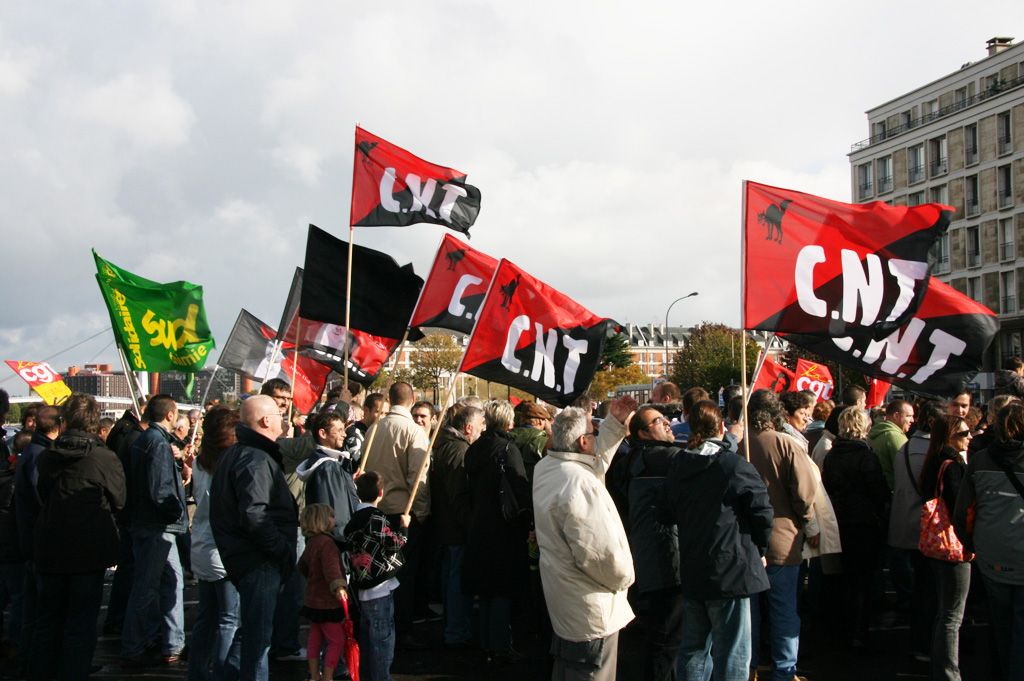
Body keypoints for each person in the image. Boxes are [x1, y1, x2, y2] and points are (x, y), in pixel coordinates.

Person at [657, 400, 773, 681]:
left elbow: (665, 511)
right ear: (721, 427)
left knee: (694, 649)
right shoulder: (732, 465)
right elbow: (762, 511)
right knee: (732, 652)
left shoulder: (680, 465)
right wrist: (760, 547)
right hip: (730, 569)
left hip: (694, 567)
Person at [533, 395, 638, 681]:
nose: (595, 437)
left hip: (566, 602)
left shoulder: (547, 469)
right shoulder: (578, 483)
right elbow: (599, 554)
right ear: (583, 442)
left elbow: (594, 461)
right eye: (593, 433)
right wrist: (625, 579)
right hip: (592, 609)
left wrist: (614, 424)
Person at [32, 394, 125, 681]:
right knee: (80, 624)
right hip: (89, 547)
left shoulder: (49, 455)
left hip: (51, 545)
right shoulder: (103, 457)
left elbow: (43, 493)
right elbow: (120, 500)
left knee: (48, 621)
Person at [210, 395, 300, 681]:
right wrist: (280, 549)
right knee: (258, 642)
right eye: (278, 413)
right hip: (258, 560)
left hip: (249, 558)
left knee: (250, 634)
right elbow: (254, 514)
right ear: (266, 420)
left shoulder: (242, 454)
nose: (282, 419)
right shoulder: (256, 458)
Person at [745, 390, 818, 681]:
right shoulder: (786, 445)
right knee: (784, 610)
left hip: (748, 541)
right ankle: (784, 672)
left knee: (749, 614)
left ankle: (747, 668)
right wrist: (809, 521)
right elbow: (804, 493)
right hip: (782, 540)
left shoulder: (739, 445)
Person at [610, 404, 685, 681]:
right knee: (666, 641)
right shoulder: (662, 459)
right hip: (665, 562)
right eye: (658, 421)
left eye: (666, 419)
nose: (667, 424)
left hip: (649, 558)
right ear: (642, 433)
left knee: (663, 638)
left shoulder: (632, 460)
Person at [954, 401, 1024, 680]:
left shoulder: (980, 459)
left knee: (1001, 621)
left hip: (991, 552)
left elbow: (963, 510)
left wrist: (973, 545)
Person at [359, 382, 430, 648]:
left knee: (377, 573)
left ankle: (377, 625)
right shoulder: (414, 431)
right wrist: (420, 511)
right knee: (403, 574)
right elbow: (418, 477)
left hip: (374, 508)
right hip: (402, 513)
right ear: (413, 399)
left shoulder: (374, 429)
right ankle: (401, 628)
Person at [462, 400, 532, 663]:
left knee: (486, 589)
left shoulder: (474, 448)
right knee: (501, 589)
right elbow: (520, 487)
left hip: (478, 523)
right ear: (509, 422)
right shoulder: (507, 449)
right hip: (503, 526)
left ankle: (487, 642)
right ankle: (500, 644)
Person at [120, 394, 188, 667]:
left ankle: (172, 642)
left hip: (148, 523)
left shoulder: (146, 440)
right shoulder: (157, 443)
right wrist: (177, 511)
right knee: (149, 587)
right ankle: (136, 646)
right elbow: (160, 490)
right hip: (157, 526)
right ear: (170, 415)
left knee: (170, 582)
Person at [821, 407, 890, 650]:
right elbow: (878, 491)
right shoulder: (866, 456)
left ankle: (843, 630)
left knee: (845, 579)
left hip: (839, 522)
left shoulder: (832, 455)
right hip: (864, 523)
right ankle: (859, 633)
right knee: (862, 581)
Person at [889, 400, 945, 663]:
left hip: (906, 526)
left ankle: (919, 641)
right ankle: (925, 644)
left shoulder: (906, 447)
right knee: (929, 591)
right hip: (929, 530)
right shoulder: (934, 451)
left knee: (920, 589)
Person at [188, 406, 241, 681]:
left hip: (203, 545)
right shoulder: (228, 464)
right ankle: (222, 673)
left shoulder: (200, 461)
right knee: (229, 619)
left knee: (207, 617)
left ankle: (196, 673)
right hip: (223, 550)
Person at [918, 414, 972, 681]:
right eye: (963, 433)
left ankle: (941, 668)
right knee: (952, 615)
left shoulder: (933, 461)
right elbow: (959, 508)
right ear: (950, 435)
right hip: (953, 546)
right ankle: (949, 673)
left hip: (935, 544)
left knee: (944, 611)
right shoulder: (952, 465)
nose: (969, 437)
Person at [345, 472, 410, 681]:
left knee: (366, 641)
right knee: (382, 642)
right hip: (379, 587)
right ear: (381, 493)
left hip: (362, 586)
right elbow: (394, 544)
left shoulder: (353, 518)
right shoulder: (376, 518)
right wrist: (404, 528)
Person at [430, 404, 483, 647]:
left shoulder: (447, 445)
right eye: (481, 427)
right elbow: (458, 494)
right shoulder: (459, 451)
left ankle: (453, 626)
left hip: (447, 525)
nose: (483, 432)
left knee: (451, 577)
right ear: (469, 427)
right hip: (455, 528)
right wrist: (470, 525)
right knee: (457, 581)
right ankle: (456, 630)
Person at [297, 504, 349, 681]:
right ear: (323, 521)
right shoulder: (327, 543)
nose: (334, 520)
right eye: (332, 517)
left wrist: (313, 578)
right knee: (336, 641)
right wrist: (339, 587)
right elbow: (332, 568)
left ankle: (314, 675)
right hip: (327, 602)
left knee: (314, 639)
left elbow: (302, 565)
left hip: (313, 601)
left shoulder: (312, 542)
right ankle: (328, 677)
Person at [295, 411, 359, 542]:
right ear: (323, 433)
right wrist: (347, 543)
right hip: (335, 547)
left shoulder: (330, 465)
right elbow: (336, 515)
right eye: (339, 430)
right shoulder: (328, 468)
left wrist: (350, 483)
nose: (344, 435)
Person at [867, 400, 915, 491]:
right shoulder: (895, 437)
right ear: (896, 416)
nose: (912, 420)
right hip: (893, 494)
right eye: (909, 416)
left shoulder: (876, 432)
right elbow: (905, 471)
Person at [509, 401, 551, 483]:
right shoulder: (544, 442)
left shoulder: (507, 436)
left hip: (509, 489)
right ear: (540, 421)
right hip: (534, 488)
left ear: (521, 420)